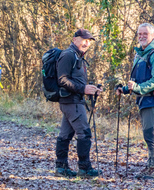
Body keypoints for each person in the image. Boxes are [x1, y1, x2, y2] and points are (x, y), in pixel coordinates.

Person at [116, 23, 154, 179]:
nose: (142, 36)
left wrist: (138, 88)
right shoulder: (141, 53)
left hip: (153, 99)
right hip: (144, 99)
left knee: (151, 133)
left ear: (152, 35)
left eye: (145, 34)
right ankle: (151, 166)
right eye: (139, 34)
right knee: (148, 133)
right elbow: (137, 81)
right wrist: (125, 89)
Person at [55, 29, 102, 178]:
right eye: (84, 39)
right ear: (75, 39)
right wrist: (83, 89)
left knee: (65, 134)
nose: (87, 43)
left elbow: (75, 79)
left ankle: (61, 168)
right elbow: (62, 79)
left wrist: (91, 89)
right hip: (71, 101)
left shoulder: (78, 56)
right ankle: (84, 169)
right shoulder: (68, 55)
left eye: (89, 41)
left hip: (74, 100)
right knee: (84, 133)